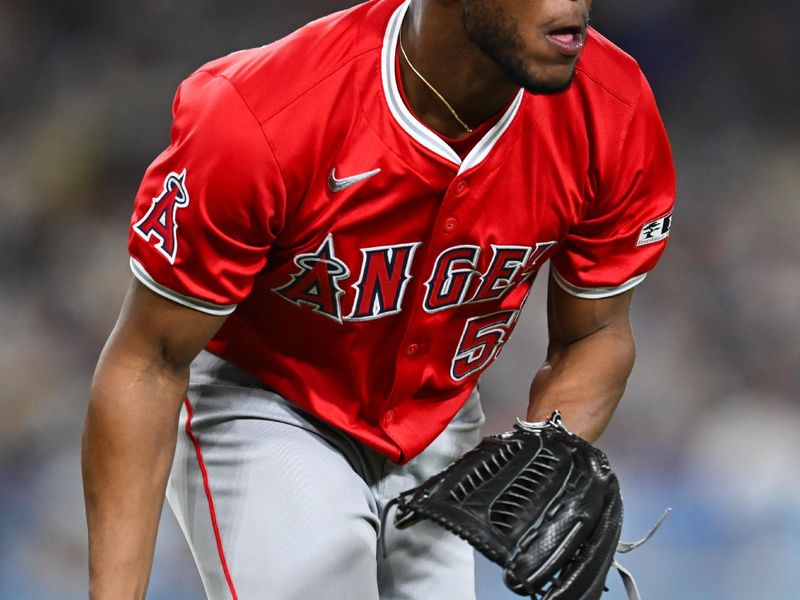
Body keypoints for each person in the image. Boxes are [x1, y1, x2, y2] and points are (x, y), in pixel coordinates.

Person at [81, 0, 675, 598]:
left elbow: (595, 334)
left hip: (439, 424)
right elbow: (149, 361)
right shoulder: (267, 113)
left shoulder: (613, 108)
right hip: (265, 399)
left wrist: (552, 444)